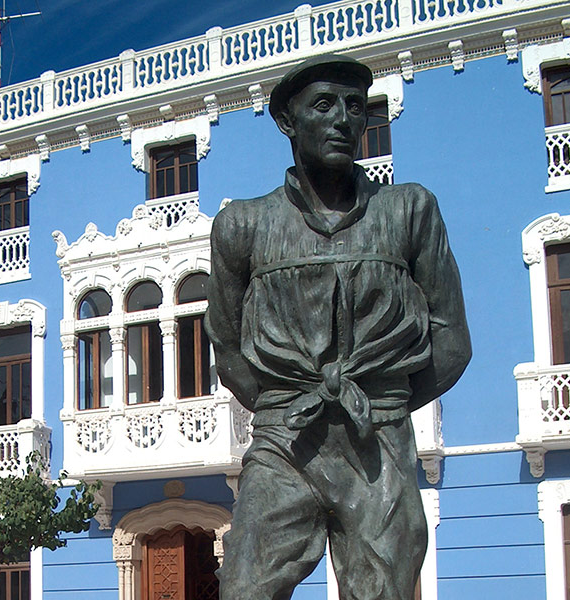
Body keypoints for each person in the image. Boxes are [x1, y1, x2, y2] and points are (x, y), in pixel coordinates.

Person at [204, 54, 471, 600]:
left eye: (356, 106)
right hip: (286, 442)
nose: (344, 119)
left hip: (377, 443)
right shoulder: (243, 225)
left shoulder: (410, 210)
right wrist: (288, 404)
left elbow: (451, 340)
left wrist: (382, 402)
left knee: (383, 593)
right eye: (323, 105)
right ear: (288, 121)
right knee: (244, 589)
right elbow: (226, 349)